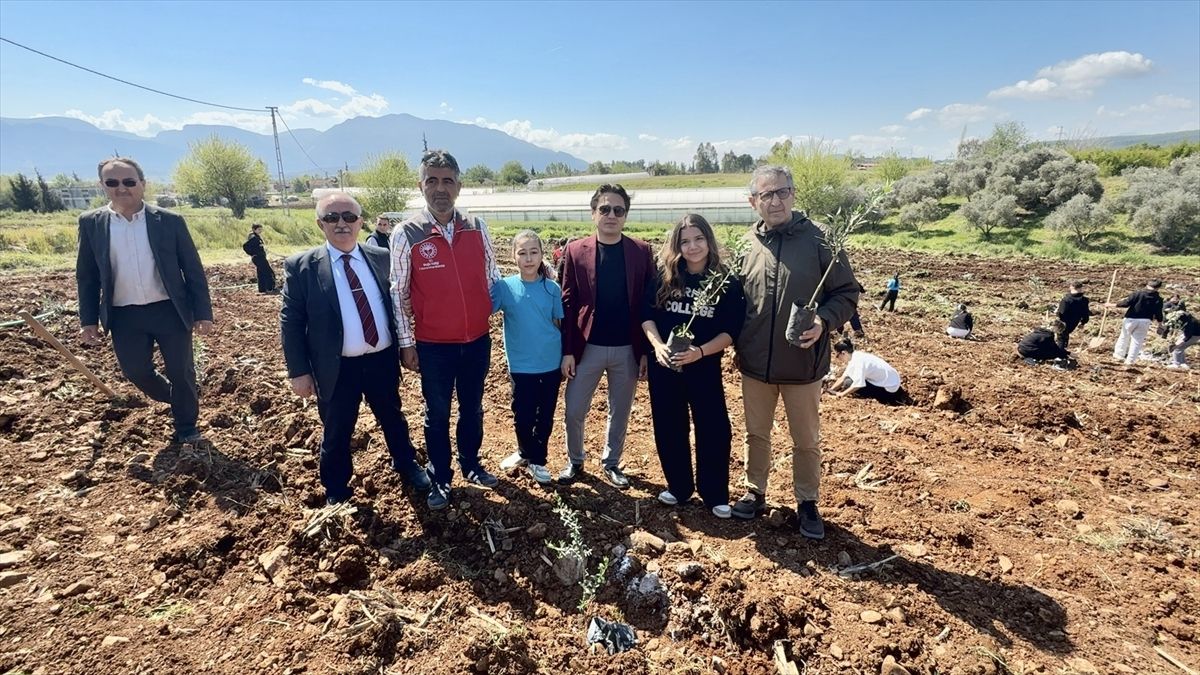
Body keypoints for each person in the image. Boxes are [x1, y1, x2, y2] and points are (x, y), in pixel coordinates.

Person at [734, 165, 860, 540]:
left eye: (782, 192)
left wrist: (823, 320)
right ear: (753, 201)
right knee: (756, 433)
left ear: (793, 194)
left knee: (805, 438)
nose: (776, 201)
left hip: (803, 363)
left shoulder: (821, 240)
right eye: (767, 194)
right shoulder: (748, 244)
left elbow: (847, 294)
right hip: (755, 363)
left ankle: (807, 501)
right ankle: (754, 490)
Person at [280, 194, 428, 505]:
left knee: (393, 417)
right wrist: (299, 372)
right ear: (320, 224)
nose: (342, 224)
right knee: (337, 429)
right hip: (336, 367)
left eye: (349, 216)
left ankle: (406, 464)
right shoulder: (302, 268)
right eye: (332, 218)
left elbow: (399, 304)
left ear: (361, 222)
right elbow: (291, 322)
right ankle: (336, 488)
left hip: (380, 360)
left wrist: (407, 345)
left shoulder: (380, 257)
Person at [390, 150, 502, 510]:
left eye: (447, 180)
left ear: (459, 185)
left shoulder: (476, 227)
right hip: (433, 345)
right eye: (432, 180)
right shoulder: (407, 233)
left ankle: (471, 464)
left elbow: (491, 277)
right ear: (420, 185)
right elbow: (399, 292)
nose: (441, 188)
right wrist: (407, 343)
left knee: (472, 408)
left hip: (476, 340)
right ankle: (441, 476)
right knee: (437, 413)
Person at [76, 157, 214, 445]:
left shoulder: (169, 221)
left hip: (169, 310)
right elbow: (87, 276)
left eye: (129, 181)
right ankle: (174, 398)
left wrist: (203, 312)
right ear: (103, 186)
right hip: (124, 314)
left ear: (142, 184)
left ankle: (186, 426)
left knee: (182, 371)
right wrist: (88, 320)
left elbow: (192, 269)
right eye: (112, 182)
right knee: (136, 371)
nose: (121, 188)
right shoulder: (92, 224)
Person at [641, 214, 746, 519]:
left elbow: (730, 330)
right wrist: (658, 346)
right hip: (665, 367)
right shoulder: (665, 276)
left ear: (708, 241)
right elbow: (646, 316)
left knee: (714, 428)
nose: (692, 247)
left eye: (698, 239)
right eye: (685, 241)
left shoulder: (725, 282)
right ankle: (679, 487)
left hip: (703, 367)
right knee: (669, 425)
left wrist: (699, 352)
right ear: (677, 246)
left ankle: (714, 495)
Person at [559, 184, 656, 488]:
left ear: (625, 215)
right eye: (604, 209)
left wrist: (644, 352)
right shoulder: (576, 250)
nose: (611, 215)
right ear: (593, 214)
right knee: (574, 409)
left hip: (627, 347)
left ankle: (611, 462)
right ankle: (575, 461)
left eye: (618, 210)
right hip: (587, 347)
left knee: (620, 410)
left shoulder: (641, 251)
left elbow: (647, 303)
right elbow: (567, 301)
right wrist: (568, 350)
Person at [493, 230, 564, 486]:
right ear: (514, 256)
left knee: (545, 414)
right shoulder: (504, 287)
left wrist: (566, 356)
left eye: (534, 252)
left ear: (542, 255)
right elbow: (482, 309)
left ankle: (538, 460)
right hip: (521, 365)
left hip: (550, 363)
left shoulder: (552, 288)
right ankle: (525, 452)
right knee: (522, 414)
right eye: (522, 253)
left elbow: (558, 323)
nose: (528, 258)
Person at [827, 338, 903, 402]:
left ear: (843, 353)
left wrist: (841, 394)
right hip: (893, 384)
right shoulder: (856, 356)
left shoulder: (858, 361)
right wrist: (830, 390)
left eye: (837, 356)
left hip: (890, 392)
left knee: (848, 383)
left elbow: (858, 384)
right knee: (847, 379)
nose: (838, 359)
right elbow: (843, 377)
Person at [1110, 279, 1165, 365]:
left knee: (1124, 337)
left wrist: (1111, 305)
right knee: (1137, 341)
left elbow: (1126, 303)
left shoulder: (1138, 294)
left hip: (1130, 319)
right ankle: (1130, 361)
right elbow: (1158, 313)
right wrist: (1160, 324)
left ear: (1147, 284)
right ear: (1158, 288)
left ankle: (1118, 355)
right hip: (1145, 321)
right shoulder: (1158, 299)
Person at [1055, 281, 1090, 350]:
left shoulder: (1066, 300)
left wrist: (1057, 313)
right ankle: (1064, 349)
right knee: (1066, 334)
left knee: (1061, 338)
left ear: (1071, 287)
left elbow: (1062, 312)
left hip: (1064, 322)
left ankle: (1060, 354)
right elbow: (1086, 312)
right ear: (1081, 288)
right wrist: (1083, 322)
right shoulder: (1084, 300)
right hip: (1074, 322)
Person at [244, 223, 276, 293]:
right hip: (258, 258)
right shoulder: (253, 237)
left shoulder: (257, 237)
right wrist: (252, 254)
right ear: (253, 230)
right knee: (268, 272)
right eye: (258, 229)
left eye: (261, 229)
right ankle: (270, 288)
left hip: (261, 257)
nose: (260, 231)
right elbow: (245, 246)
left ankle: (262, 289)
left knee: (261, 273)